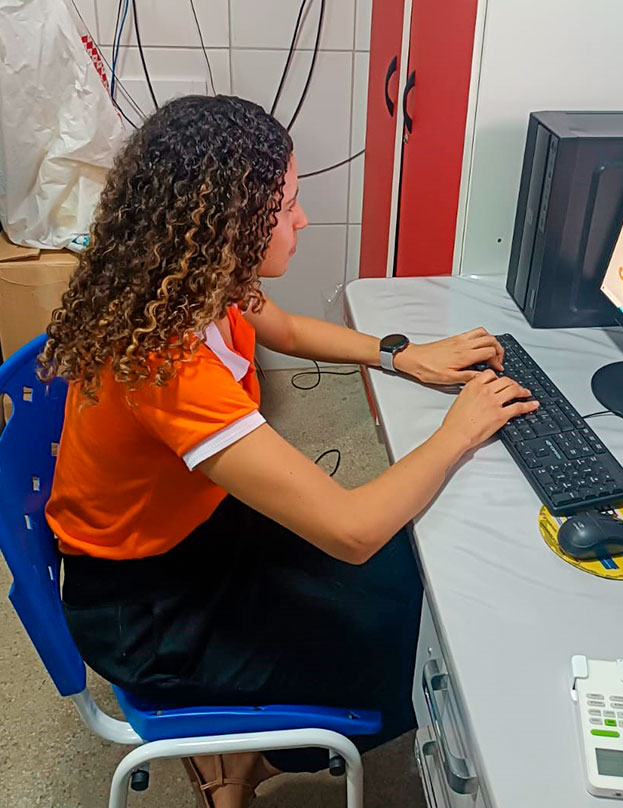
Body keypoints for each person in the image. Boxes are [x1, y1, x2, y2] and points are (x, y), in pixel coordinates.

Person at [39, 95, 537, 808]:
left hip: (199, 531)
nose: (301, 221)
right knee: (421, 657)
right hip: (147, 608)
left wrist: (401, 355)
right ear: (227, 224)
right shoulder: (165, 363)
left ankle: (248, 750)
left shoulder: (198, 280)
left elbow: (290, 332)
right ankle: (257, 760)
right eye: (287, 207)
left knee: (419, 582)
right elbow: (351, 529)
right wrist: (459, 430)